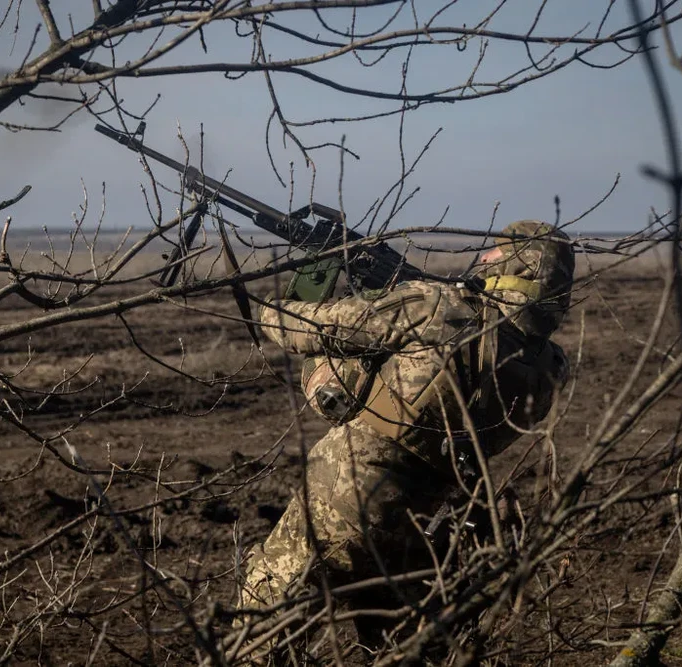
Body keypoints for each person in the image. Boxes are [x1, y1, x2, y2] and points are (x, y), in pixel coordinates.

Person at [235, 220, 576, 659]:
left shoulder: (437, 307)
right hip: (428, 523)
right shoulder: (548, 365)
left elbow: (300, 326)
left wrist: (287, 296)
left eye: (497, 252)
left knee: (268, 615)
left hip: (348, 496)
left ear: (519, 266)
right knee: (401, 647)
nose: (486, 256)